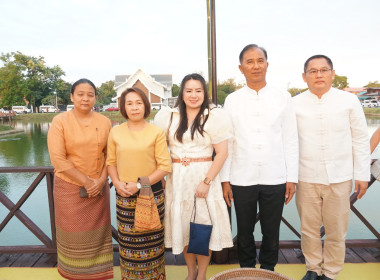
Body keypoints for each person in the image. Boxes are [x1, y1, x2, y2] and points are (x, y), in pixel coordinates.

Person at [219, 44, 299, 271]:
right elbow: (228, 142)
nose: (255, 66)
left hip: (275, 175)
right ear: (241, 68)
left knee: (271, 230)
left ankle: (268, 270)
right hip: (241, 176)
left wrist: (291, 177)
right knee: (244, 230)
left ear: (267, 64)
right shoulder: (233, 100)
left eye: (260, 60)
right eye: (249, 61)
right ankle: (246, 270)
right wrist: (225, 179)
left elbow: (290, 139)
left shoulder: (283, 97)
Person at [293, 55, 371, 280]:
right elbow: (288, 142)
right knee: (308, 229)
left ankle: (331, 272)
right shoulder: (295, 104)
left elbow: (359, 139)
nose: (319, 75)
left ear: (332, 74)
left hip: (340, 176)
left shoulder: (349, 101)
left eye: (324, 70)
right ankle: (313, 268)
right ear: (304, 76)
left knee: (336, 231)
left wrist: (362, 175)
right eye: (313, 71)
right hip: (305, 175)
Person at [154, 73, 233, 280]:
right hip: (178, 179)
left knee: (203, 229)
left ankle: (202, 275)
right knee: (185, 228)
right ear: (182, 93)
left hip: (204, 176)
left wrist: (207, 181)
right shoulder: (169, 116)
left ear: (204, 93)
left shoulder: (213, 116)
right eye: (189, 90)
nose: (193, 95)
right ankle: (190, 273)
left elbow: (222, 153)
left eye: (198, 90)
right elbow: (158, 149)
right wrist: (160, 177)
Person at [47, 78, 113, 280]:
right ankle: (73, 275)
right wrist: (86, 182)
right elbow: (58, 159)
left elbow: (110, 156)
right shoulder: (60, 121)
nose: (85, 98)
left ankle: (99, 275)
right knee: (73, 238)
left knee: (98, 237)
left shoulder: (105, 121)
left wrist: (101, 181)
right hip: (70, 188)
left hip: (99, 189)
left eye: (90, 94)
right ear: (72, 97)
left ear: (95, 97)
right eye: (81, 94)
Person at [106, 87, 171, 280]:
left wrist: (140, 185)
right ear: (123, 107)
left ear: (146, 106)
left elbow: (165, 167)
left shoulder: (156, 132)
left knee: (152, 246)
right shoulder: (115, 132)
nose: (134, 107)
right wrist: (116, 183)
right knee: (128, 247)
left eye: (139, 103)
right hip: (124, 196)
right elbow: (111, 162)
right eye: (129, 103)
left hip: (151, 196)